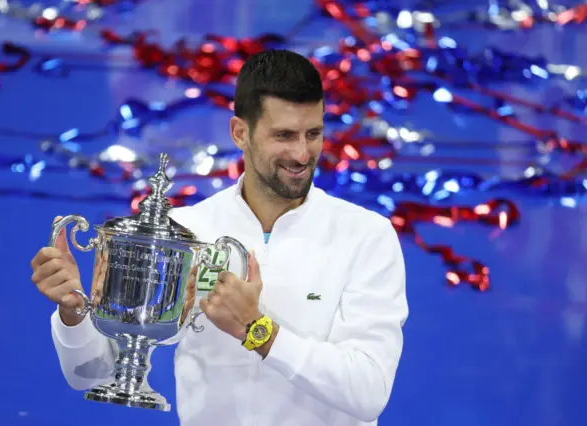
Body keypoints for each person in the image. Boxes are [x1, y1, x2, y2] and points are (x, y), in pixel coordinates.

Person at [30, 49, 408, 426]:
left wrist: (256, 331)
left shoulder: (365, 236)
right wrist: (73, 310)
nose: (302, 153)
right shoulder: (185, 231)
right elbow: (91, 375)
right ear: (239, 133)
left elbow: (368, 392)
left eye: (313, 134)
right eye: (283, 135)